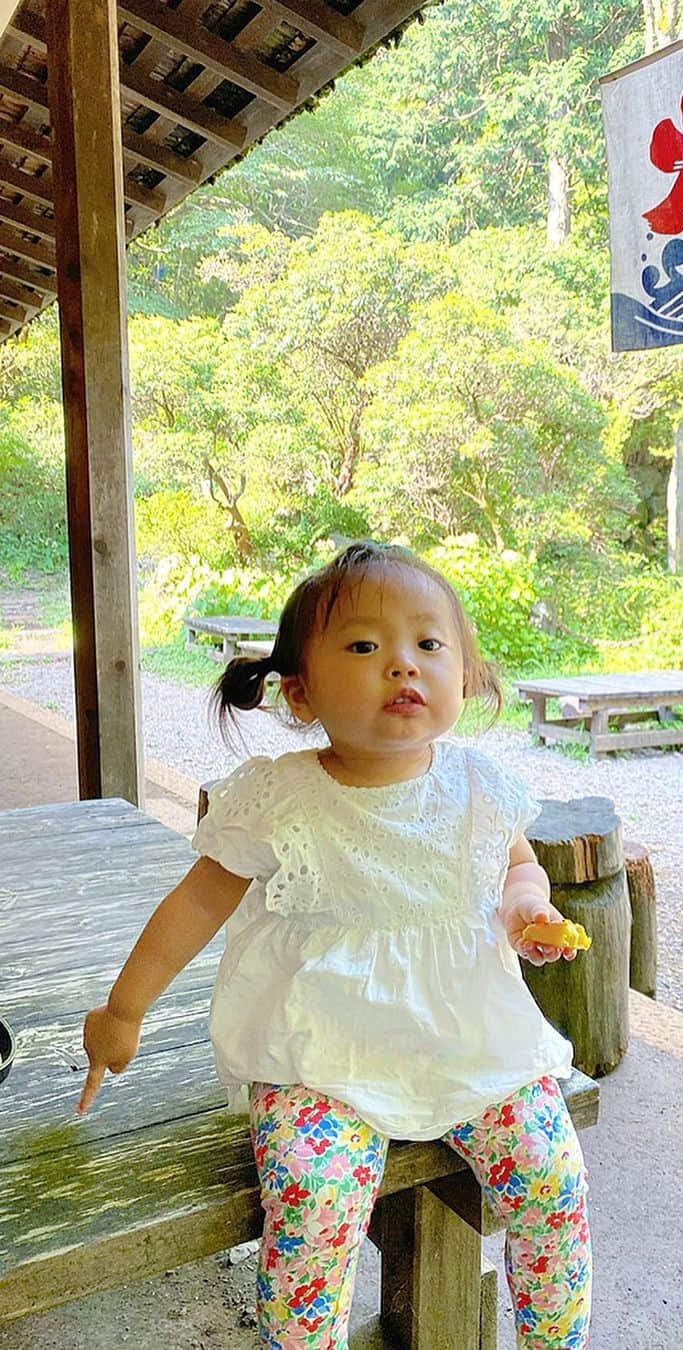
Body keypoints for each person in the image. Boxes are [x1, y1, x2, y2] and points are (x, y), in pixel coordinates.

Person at [77, 540, 592, 1350]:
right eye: (364, 646)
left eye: (429, 645)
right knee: (313, 1207)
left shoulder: (480, 788)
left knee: (551, 1176)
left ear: (467, 673)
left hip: (468, 1039)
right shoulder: (282, 797)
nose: (403, 667)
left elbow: (516, 867)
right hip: (321, 1053)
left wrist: (529, 909)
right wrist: (123, 1009)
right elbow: (196, 904)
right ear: (300, 693)